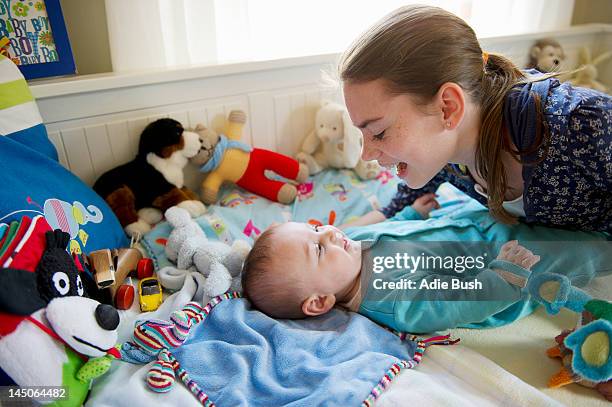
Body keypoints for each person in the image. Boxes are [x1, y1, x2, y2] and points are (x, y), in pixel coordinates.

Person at [338, 5, 611, 233]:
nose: (366, 154)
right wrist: (335, 235)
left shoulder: (581, 125)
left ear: (447, 108)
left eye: (379, 132)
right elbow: (396, 207)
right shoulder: (443, 155)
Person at [241, 201, 610, 333]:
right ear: (320, 301)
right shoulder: (390, 299)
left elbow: (394, 228)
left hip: (474, 224)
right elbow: (455, 301)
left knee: (568, 207)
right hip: (511, 262)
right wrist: (503, 279)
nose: (330, 234)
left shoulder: (348, 248)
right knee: (584, 250)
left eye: (316, 227)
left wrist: (410, 213)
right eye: (318, 249)